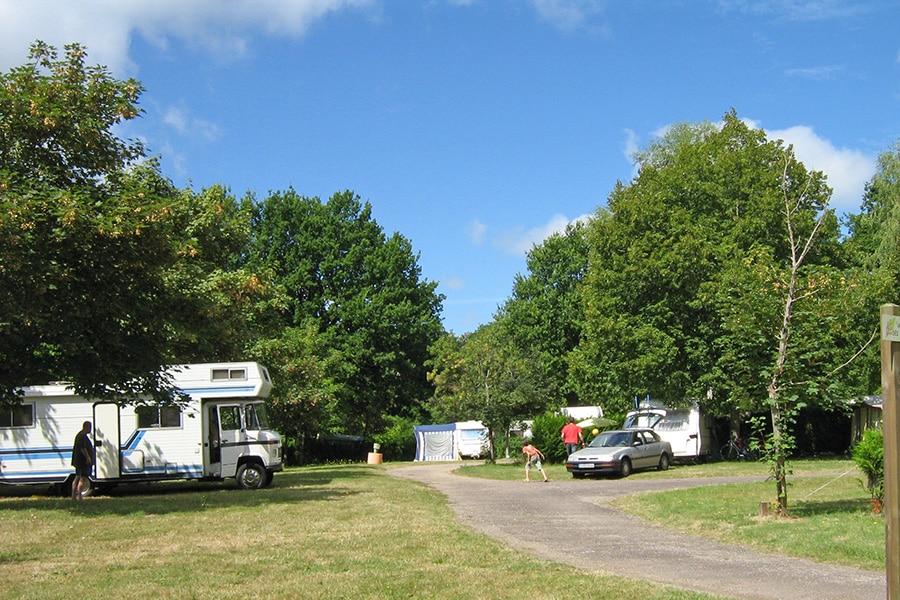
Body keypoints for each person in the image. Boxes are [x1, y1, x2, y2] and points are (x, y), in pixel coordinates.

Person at [71, 421, 95, 501]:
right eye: (90, 427)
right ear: (86, 427)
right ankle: (79, 495)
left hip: (79, 461)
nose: (90, 429)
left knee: (78, 477)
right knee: (82, 478)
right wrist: (88, 457)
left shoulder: (80, 435)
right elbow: (83, 448)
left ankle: (74, 496)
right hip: (82, 462)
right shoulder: (82, 436)